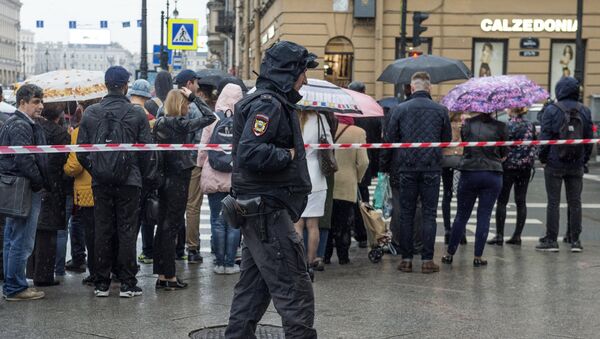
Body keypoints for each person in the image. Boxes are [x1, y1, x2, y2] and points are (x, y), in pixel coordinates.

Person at [225, 40, 318, 338]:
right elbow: (250, 152)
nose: (306, 78)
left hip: (261, 211)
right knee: (295, 289)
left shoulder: (270, 100)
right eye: (303, 71)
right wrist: (287, 155)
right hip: (267, 212)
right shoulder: (269, 103)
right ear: (289, 72)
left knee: (252, 291)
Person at [76, 66, 153, 298]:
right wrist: (138, 173)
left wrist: (98, 169)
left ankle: (101, 282)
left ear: (106, 84)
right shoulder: (136, 113)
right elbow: (146, 151)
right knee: (127, 230)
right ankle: (128, 283)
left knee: (102, 229)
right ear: (126, 85)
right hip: (130, 182)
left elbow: (81, 152)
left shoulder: (91, 112)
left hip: (101, 182)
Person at [380, 72, 451, 274]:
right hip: (431, 168)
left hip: (406, 167)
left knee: (406, 213)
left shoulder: (399, 110)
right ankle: (428, 260)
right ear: (429, 88)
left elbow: (390, 141)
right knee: (429, 214)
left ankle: (407, 259)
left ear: (412, 88)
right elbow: (445, 140)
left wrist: (384, 167)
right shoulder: (441, 110)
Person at [153, 88, 215, 290]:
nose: (188, 107)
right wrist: (194, 96)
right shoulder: (182, 125)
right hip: (179, 177)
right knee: (172, 226)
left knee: (163, 226)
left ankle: (162, 273)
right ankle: (169, 276)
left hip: (163, 178)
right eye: (187, 104)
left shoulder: (160, 122)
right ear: (180, 105)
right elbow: (210, 116)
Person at [442, 111, 508, 267]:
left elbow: (466, 147)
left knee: (461, 215)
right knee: (484, 216)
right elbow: (504, 153)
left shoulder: (467, 125)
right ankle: (478, 257)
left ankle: (449, 253)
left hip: (469, 172)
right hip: (492, 173)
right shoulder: (501, 127)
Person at [0, 84, 47, 301]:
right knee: (21, 239)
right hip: (24, 188)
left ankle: (12, 283)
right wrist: (39, 182)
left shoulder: (17, 122)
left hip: (16, 187)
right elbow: (24, 159)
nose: (41, 106)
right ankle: (16, 287)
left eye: (41, 101)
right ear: (22, 103)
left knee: (13, 237)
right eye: (36, 102)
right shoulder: (21, 125)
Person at [536, 76, 592, 252]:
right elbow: (589, 139)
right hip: (576, 162)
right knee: (575, 201)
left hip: (555, 161)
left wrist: (543, 158)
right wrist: (584, 159)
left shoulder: (552, 110)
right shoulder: (585, 110)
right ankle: (575, 239)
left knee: (553, 201)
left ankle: (551, 239)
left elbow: (545, 138)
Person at [198, 83, 243, 275]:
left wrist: (200, 165)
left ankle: (219, 263)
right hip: (235, 178)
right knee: (234, 222)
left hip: (214, 174)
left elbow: (203, 146)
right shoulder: (244, 119)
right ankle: (230, 262)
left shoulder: (213, 119)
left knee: (217, 220)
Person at [26, 103, 70, 287]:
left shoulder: (32, 127)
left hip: (33, 183)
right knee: (48, 233)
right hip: (53, 186)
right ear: (58, 115)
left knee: (33, 229)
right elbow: (65, 161)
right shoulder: (60, 134)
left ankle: (31, 270)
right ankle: (44, 275)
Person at [488, 107, 537, 246]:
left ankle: (499, 235)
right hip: (525, 167)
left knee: (502, 201)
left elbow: (501, 146)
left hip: (508, 167)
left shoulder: (507, 126)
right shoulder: (530, 124)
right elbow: (535, 143)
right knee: (521, 201)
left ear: (512, 110)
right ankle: (517, 235)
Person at [64, 99, 100, 285]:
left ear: (83, 109)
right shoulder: (107, 128)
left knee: (91, 235)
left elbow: (74, 166)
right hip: (107, 187)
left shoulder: (79, 132)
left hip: (87, 191)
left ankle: (95, 273)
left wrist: (65, 168)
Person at [324, 116, 369, 265]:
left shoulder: (326, 128)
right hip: (347, 183)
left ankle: (325, 255)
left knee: (327, 222)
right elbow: (363, 162)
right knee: (344, 223)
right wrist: (358, 178)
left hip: (326, 181)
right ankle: (343, 257)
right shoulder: (358, 132)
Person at [295, 110, 333, 273]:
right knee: (313, 224)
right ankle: (310, 260)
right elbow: (329, 144)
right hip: (316, 176)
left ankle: (298, 261)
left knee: (297, 223)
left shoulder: (292, 117)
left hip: (296, 174)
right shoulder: (319, 118)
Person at [441, 111, 467, 245]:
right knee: (461, 196)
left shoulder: (444, 125)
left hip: (445, 160)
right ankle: (461, 231)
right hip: (460, 161)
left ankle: (447, 230)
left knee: (447, 194)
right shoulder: (464, 125)